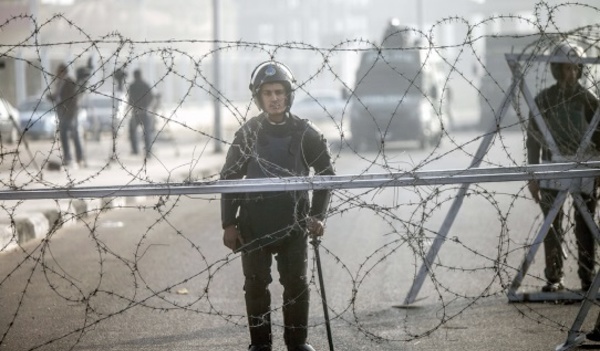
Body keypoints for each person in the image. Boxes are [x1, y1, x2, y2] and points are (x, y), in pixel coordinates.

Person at [220, 61, 335, 351]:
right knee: (256, 286)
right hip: (253, 225)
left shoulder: (304, 133)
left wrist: (318, 216)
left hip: (293, 223)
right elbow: (229, 178)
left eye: (279, 92)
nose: (274, 98)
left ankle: (298, 343)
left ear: (288, 95)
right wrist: (229, 224)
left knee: (296, 286)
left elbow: (326, 176)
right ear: (259, 97)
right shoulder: (247, 133)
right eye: (268, 92)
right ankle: (260, 345)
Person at [526, 41, 600, 293]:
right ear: (556, 71)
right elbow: (533, 140)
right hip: (552, 166)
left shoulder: (589, 101)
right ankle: (554, 277)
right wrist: (532, 175)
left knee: (586, 225)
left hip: (583, 168)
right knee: (552, 224)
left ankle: (587, 277)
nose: (571, 74)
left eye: (575, 69)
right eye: (565, 69)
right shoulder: (544, 100)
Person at [47, 63, 85, 168]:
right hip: (62, 112)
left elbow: (73, 98)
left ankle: (79, 157)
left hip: (70, 113)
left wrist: (71, 112)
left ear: (63, 71)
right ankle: (68, 157)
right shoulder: (60, 82)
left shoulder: (70, 81)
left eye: (58, 71)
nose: (57, 74)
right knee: (64, 135)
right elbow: (59, 97)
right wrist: (51, 97)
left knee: (74, 135)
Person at [127, 69, 154, 158]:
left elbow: (130, 98)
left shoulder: (132, 86)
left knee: (133, 131)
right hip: (144, 111)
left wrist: (131, 106)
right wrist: (147, 105)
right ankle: (148, 151)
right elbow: (151, 97)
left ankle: (135, 150)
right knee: (147, 132)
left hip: (135, 112)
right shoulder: (145, 85)